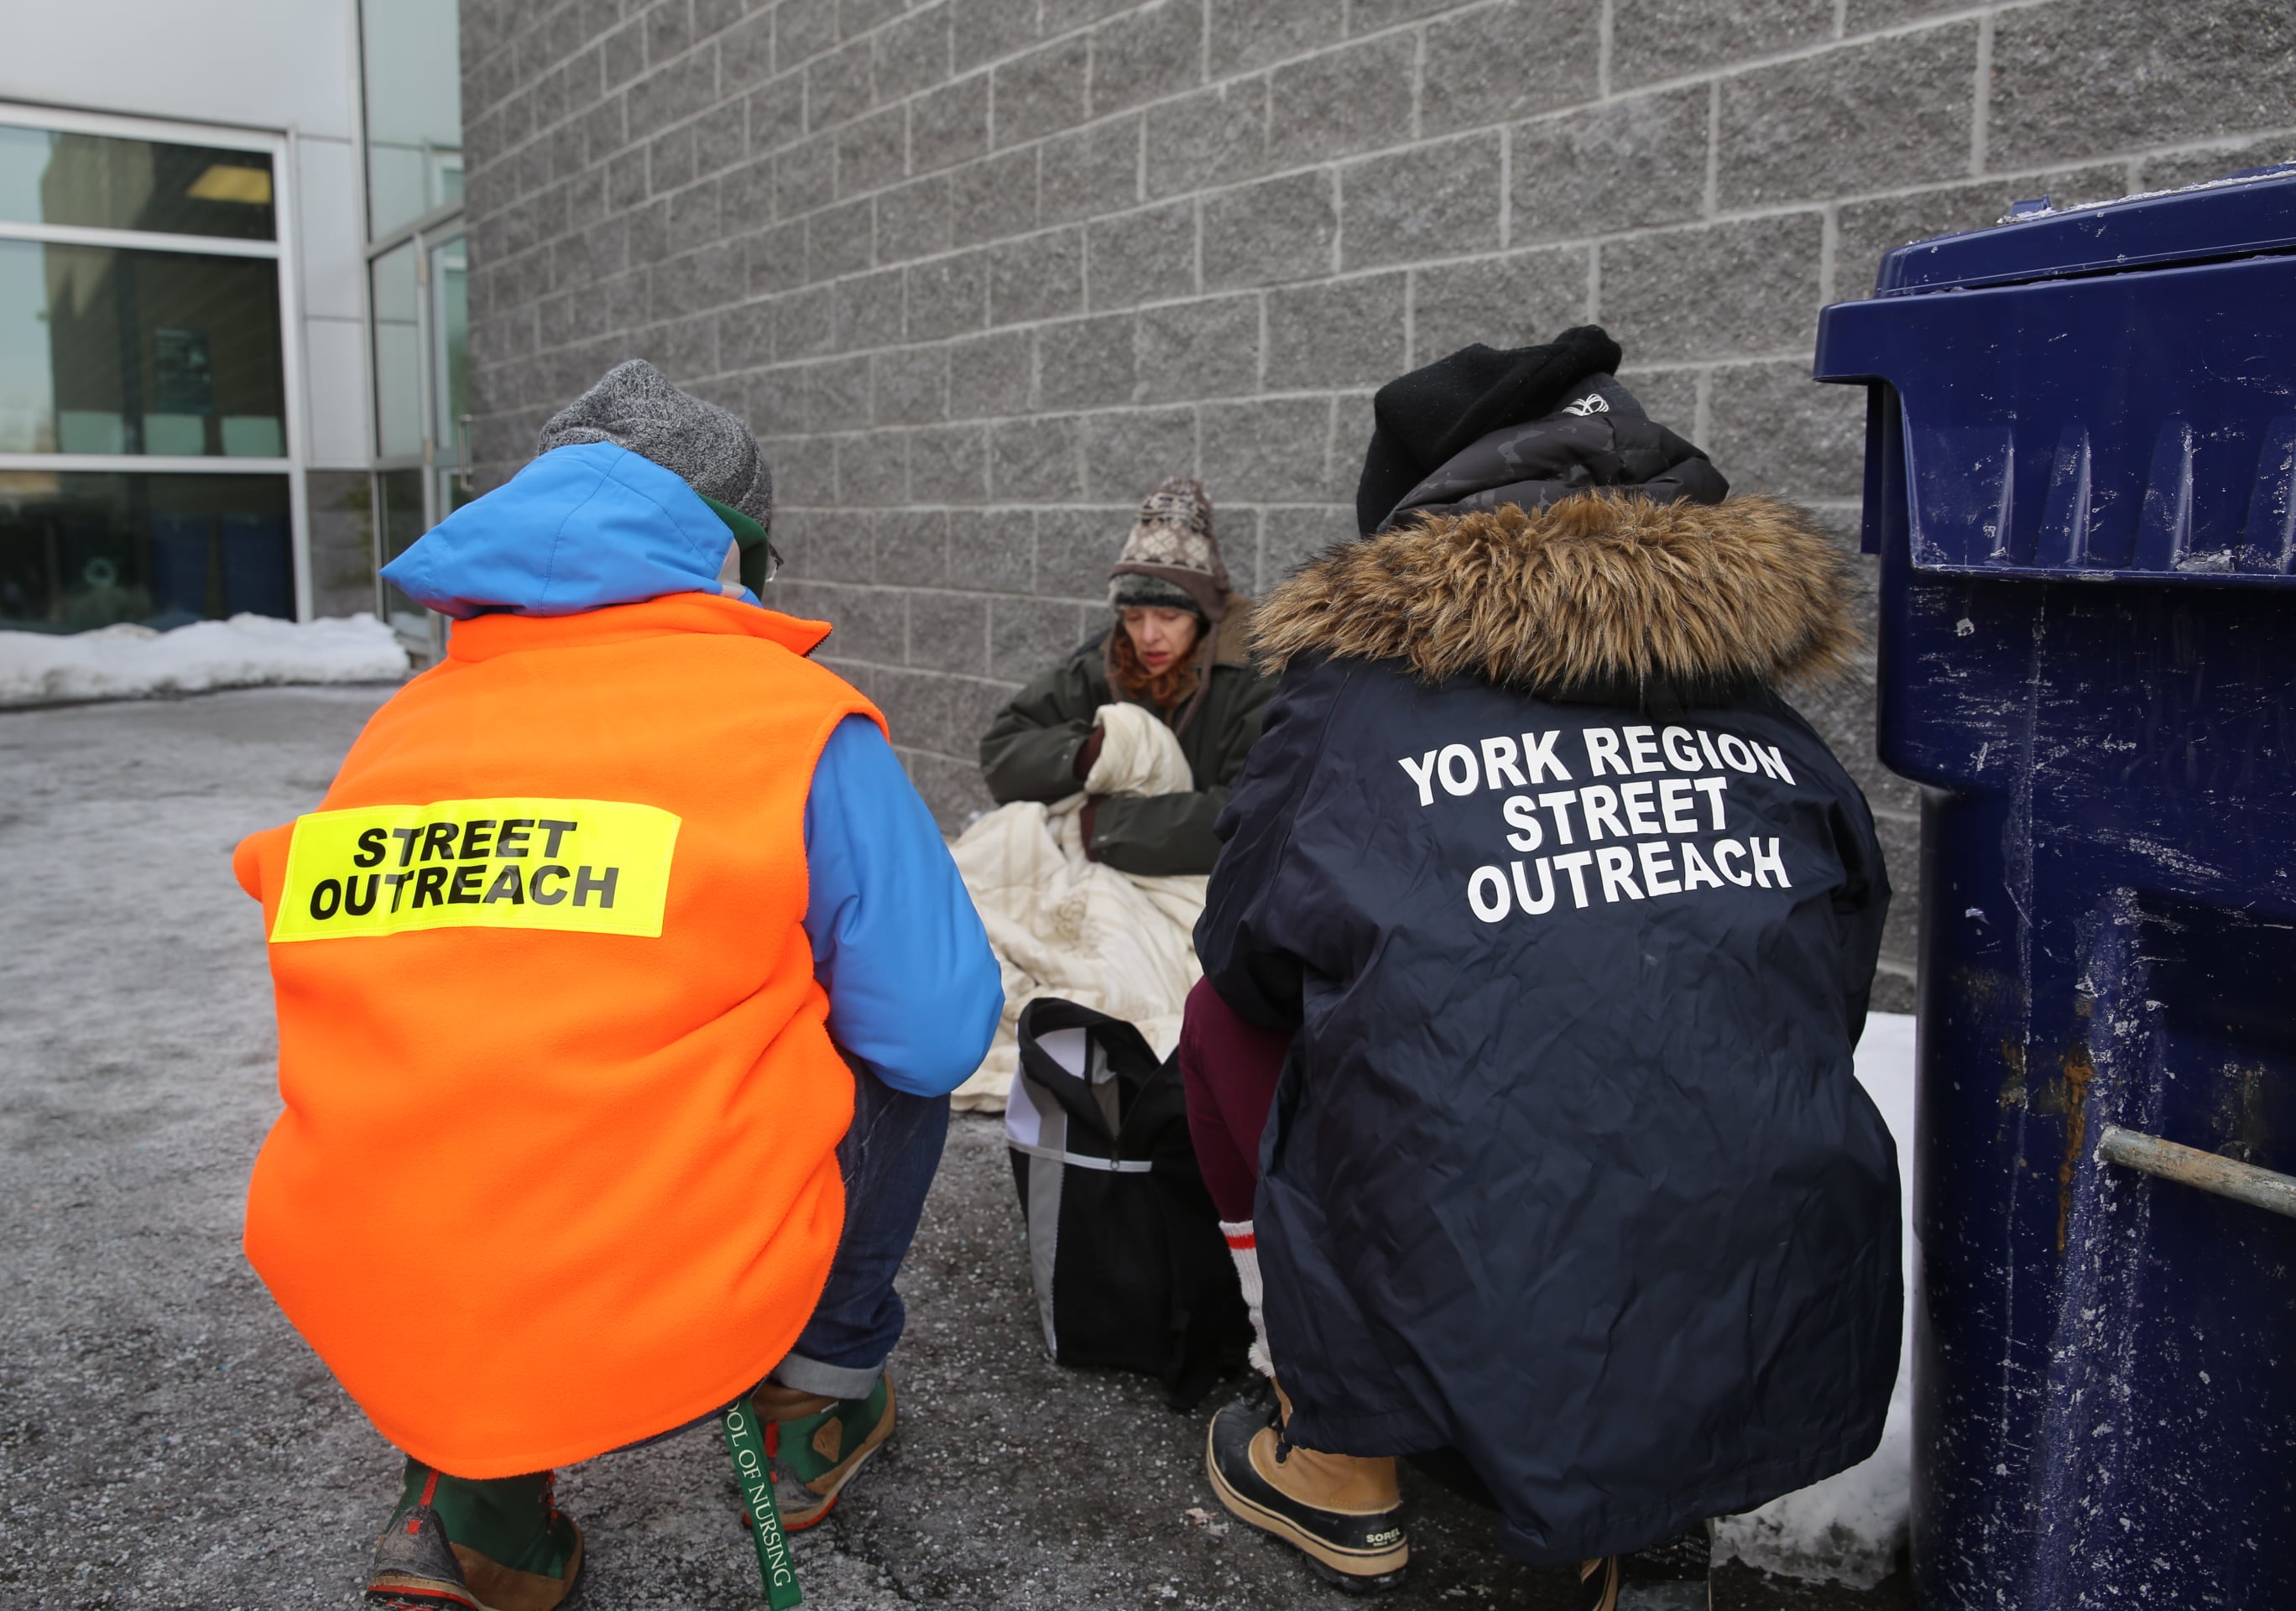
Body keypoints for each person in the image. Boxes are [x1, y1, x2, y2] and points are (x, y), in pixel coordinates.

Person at [230, 360, 1002, 1611]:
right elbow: (937, 1029)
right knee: (882, 1060)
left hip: (369, 1257)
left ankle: (473, 1508)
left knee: (475, 1049)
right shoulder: (792, 720)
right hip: (665, 1270)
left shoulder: (403, 730)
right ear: (732, 554)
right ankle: (815, 1397)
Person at [1182, 327, 1902, 1605]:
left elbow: (1243, 961)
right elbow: (1836, 962)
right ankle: (1635, 1504)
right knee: (1682, 1041)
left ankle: (1338, 1457)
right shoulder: (1757, 704)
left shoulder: (1354, 693)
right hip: (1772, 1260)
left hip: (1473, 1226)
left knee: (1229, 1025)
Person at [978, 477, 1275, 876]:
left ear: (1203, 617)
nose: (1148, 636)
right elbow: (1001, 754)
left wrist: (1106, 826)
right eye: (1133, 618)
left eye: (1169, 617)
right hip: (1099, 871)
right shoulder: (1106, 663)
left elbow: (1258, 812)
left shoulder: (1255, 675)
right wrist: (1089, 755)